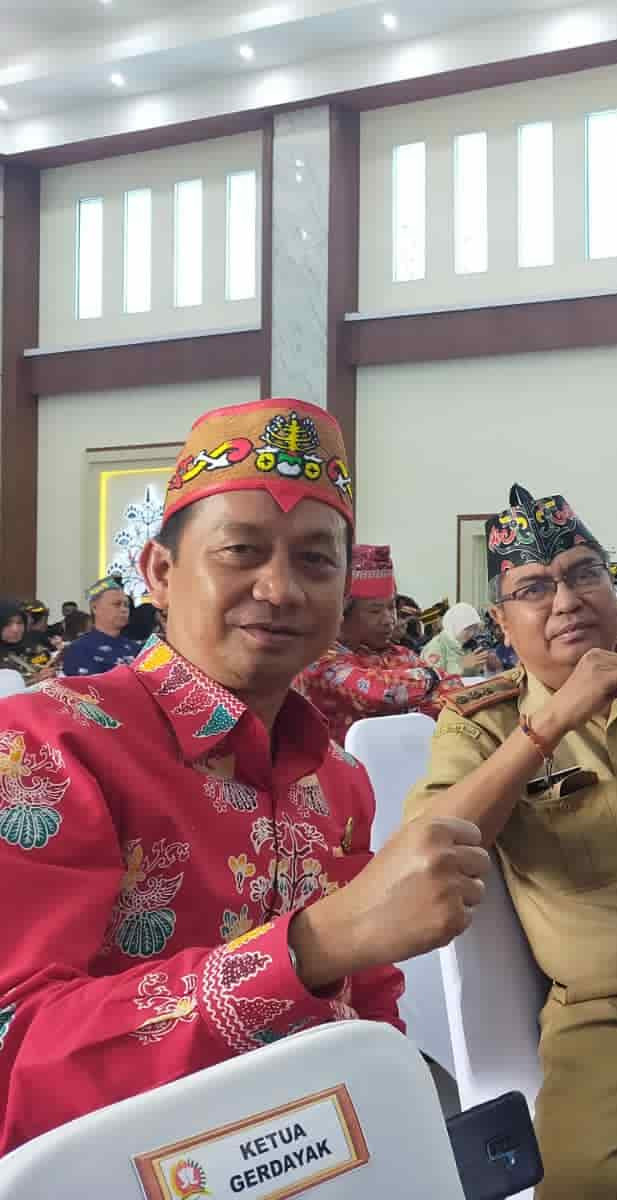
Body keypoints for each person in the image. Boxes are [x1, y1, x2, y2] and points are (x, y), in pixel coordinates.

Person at [0, 397, 489, 1155]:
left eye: (315, 560)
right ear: (160, 573)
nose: (281, 589)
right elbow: (15, 1048)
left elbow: (369, 1002)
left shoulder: (339, 780)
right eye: (241, 551)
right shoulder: (47, 745)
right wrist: (308, 948)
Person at [405, 485, 617, 1200]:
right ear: (501, 620)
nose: (566, 600)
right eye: (534, 588)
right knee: (593, 1177)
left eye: (585, 574)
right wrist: (552, 723)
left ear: (614, 592)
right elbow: (426, 852)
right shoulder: (482, 724)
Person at [294, 545, 459, 745]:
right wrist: (432, 678)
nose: (389, 619)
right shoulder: (317, 660)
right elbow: (377, 692)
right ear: (342, 613)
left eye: (391, 607)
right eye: (375, 611)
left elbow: (454, 689)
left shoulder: (399, 654)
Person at [59, 576, 140, 678]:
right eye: (117, 604)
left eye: (126, 605)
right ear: (95, 608)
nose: (124, 609)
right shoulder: (79, 649)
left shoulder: (135, 648)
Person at [422, 602, 500, 678]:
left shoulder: (468, 644)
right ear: (455, 627)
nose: (472, 633)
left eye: (474, 628)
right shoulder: (436, 647)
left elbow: (476, 675)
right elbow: (432, 679)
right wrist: (461, 666)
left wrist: (489, 667)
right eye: (468, 629)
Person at [0, 600, 51, 683]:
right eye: (7, 624)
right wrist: (35, 680)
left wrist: (42, 672)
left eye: (19, 623)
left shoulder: (28, 647)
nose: (15, 629)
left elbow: (44, 660)